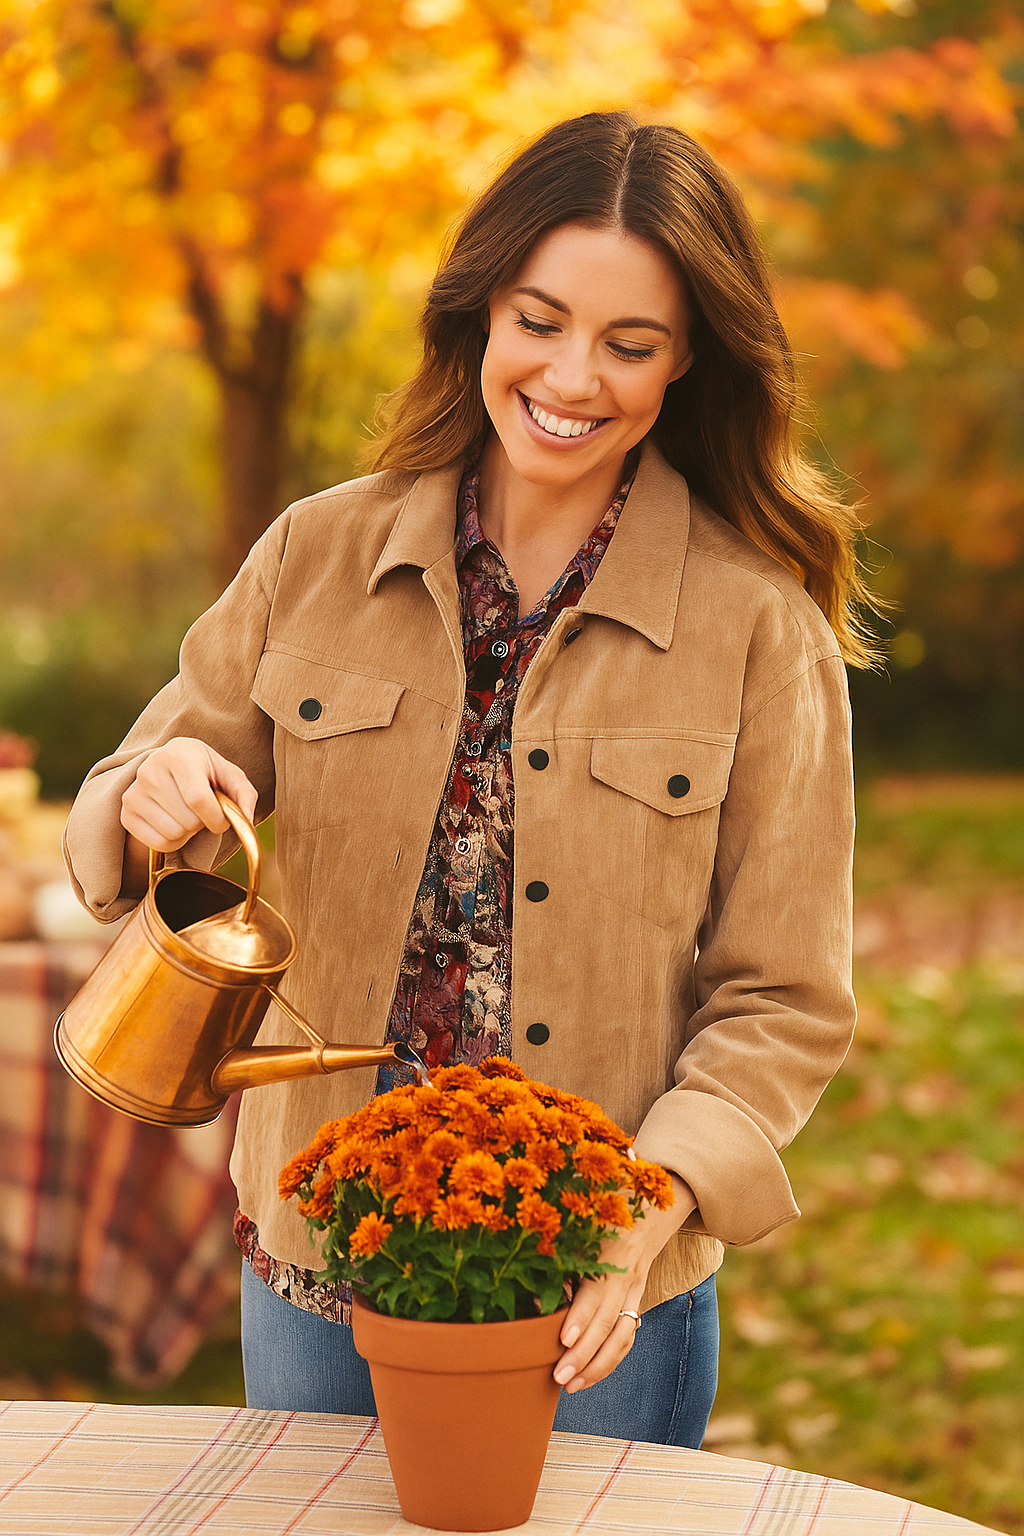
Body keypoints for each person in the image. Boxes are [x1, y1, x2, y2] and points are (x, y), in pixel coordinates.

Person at [65, 111, 870, 1448]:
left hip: (592, 1290)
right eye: (539, 321)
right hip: (319, 1258)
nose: (573, 376)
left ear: (688, 361)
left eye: (631, 344)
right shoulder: (315, 554)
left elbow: (783, 998)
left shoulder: (759, 628)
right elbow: (134, 799)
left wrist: (647, 1212)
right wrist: (153, 791)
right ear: (480, 311)